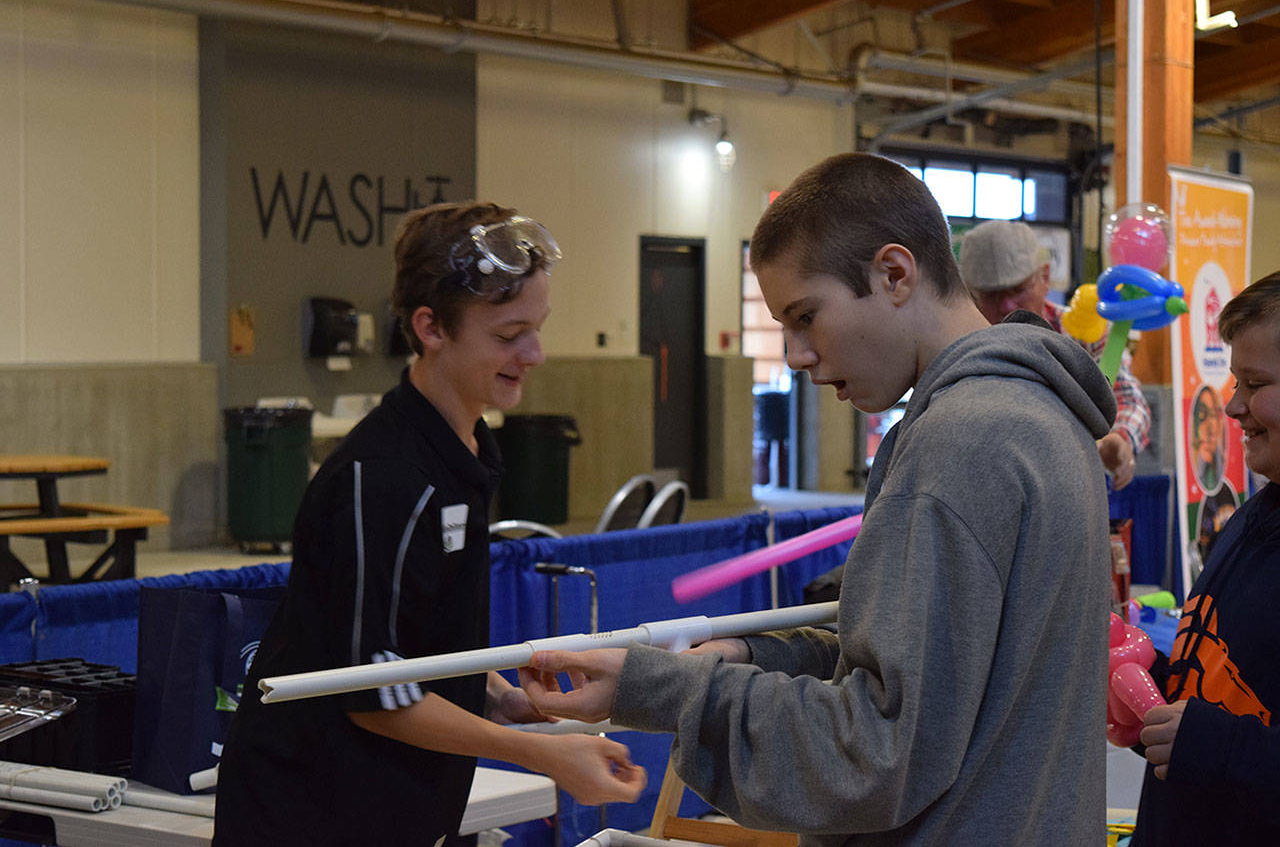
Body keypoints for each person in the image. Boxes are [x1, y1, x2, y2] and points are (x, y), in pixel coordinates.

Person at [519, 153, 1117, 844]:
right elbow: (943, 676)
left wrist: (663, 690)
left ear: (895, 273)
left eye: (806, 316)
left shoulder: (958, 445)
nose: (796, 354)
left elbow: (873, 753)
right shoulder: (1036, 412)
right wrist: (751, 657)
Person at [214, 202, 645, 846]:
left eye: (538, 328)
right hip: (311, 811)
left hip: (402, 809)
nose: (535, 354)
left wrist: (500, 695)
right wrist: (541, 754)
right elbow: (373, 692)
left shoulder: (468, 450)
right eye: (508, 335)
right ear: (431, 327)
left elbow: (411, 645)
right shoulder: (381, 476)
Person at [1131, 270, 1280, 844]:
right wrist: (1153, 690)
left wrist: (1215, 746)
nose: (1235, 406)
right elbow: (1226, 675)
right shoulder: (1251, 516)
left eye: (1254, 382)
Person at [958, 218, 1151, 489]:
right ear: (969, 293)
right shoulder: (957, 347)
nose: (1007, 305)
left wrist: (1120, 438)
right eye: (991, 295)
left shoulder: (1085, 333)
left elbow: (1128, 399)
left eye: (1018, 289)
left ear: (1045, 277)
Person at [1190, 384, 1226, 492]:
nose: (1210, 425)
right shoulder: (1194, 461)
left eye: (1214, 414)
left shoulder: (1222, 460)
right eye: (1202, 414)